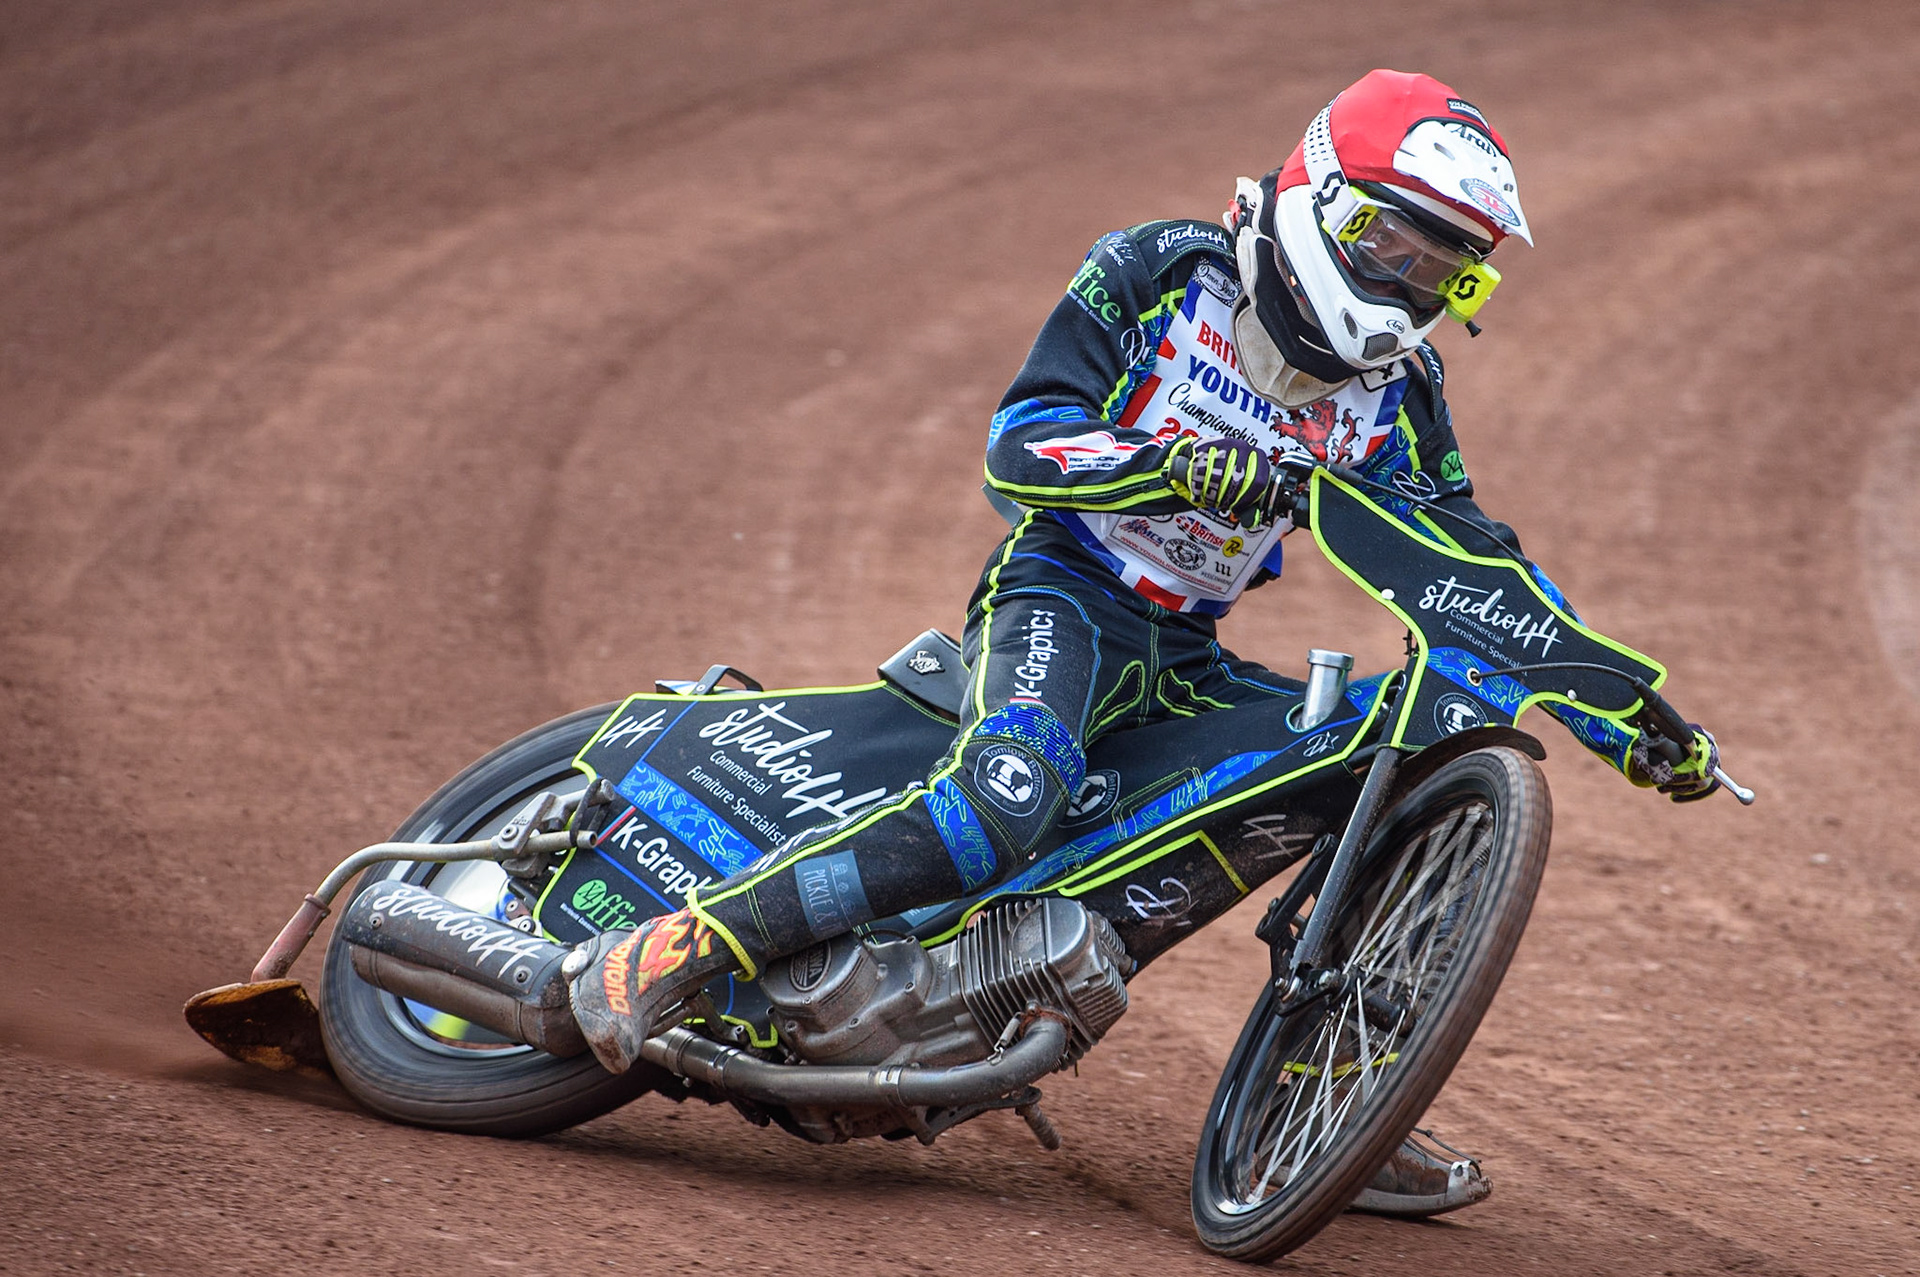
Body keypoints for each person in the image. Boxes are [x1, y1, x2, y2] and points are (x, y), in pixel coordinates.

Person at [569, 72, 1720, 1197]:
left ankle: (1341, 1094)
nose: (1410, 282)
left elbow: (1480, 567)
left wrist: (1617, 711)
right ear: (1318, 193)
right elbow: (1019, 444)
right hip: (1064, 588)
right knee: (1007, 797)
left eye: (1445, 268)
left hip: (1188, 650)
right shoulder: (1164, 268)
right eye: (1391, 244)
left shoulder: (1401, 390)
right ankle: (682, 947)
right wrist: (1159, 464)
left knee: (1384, 750)